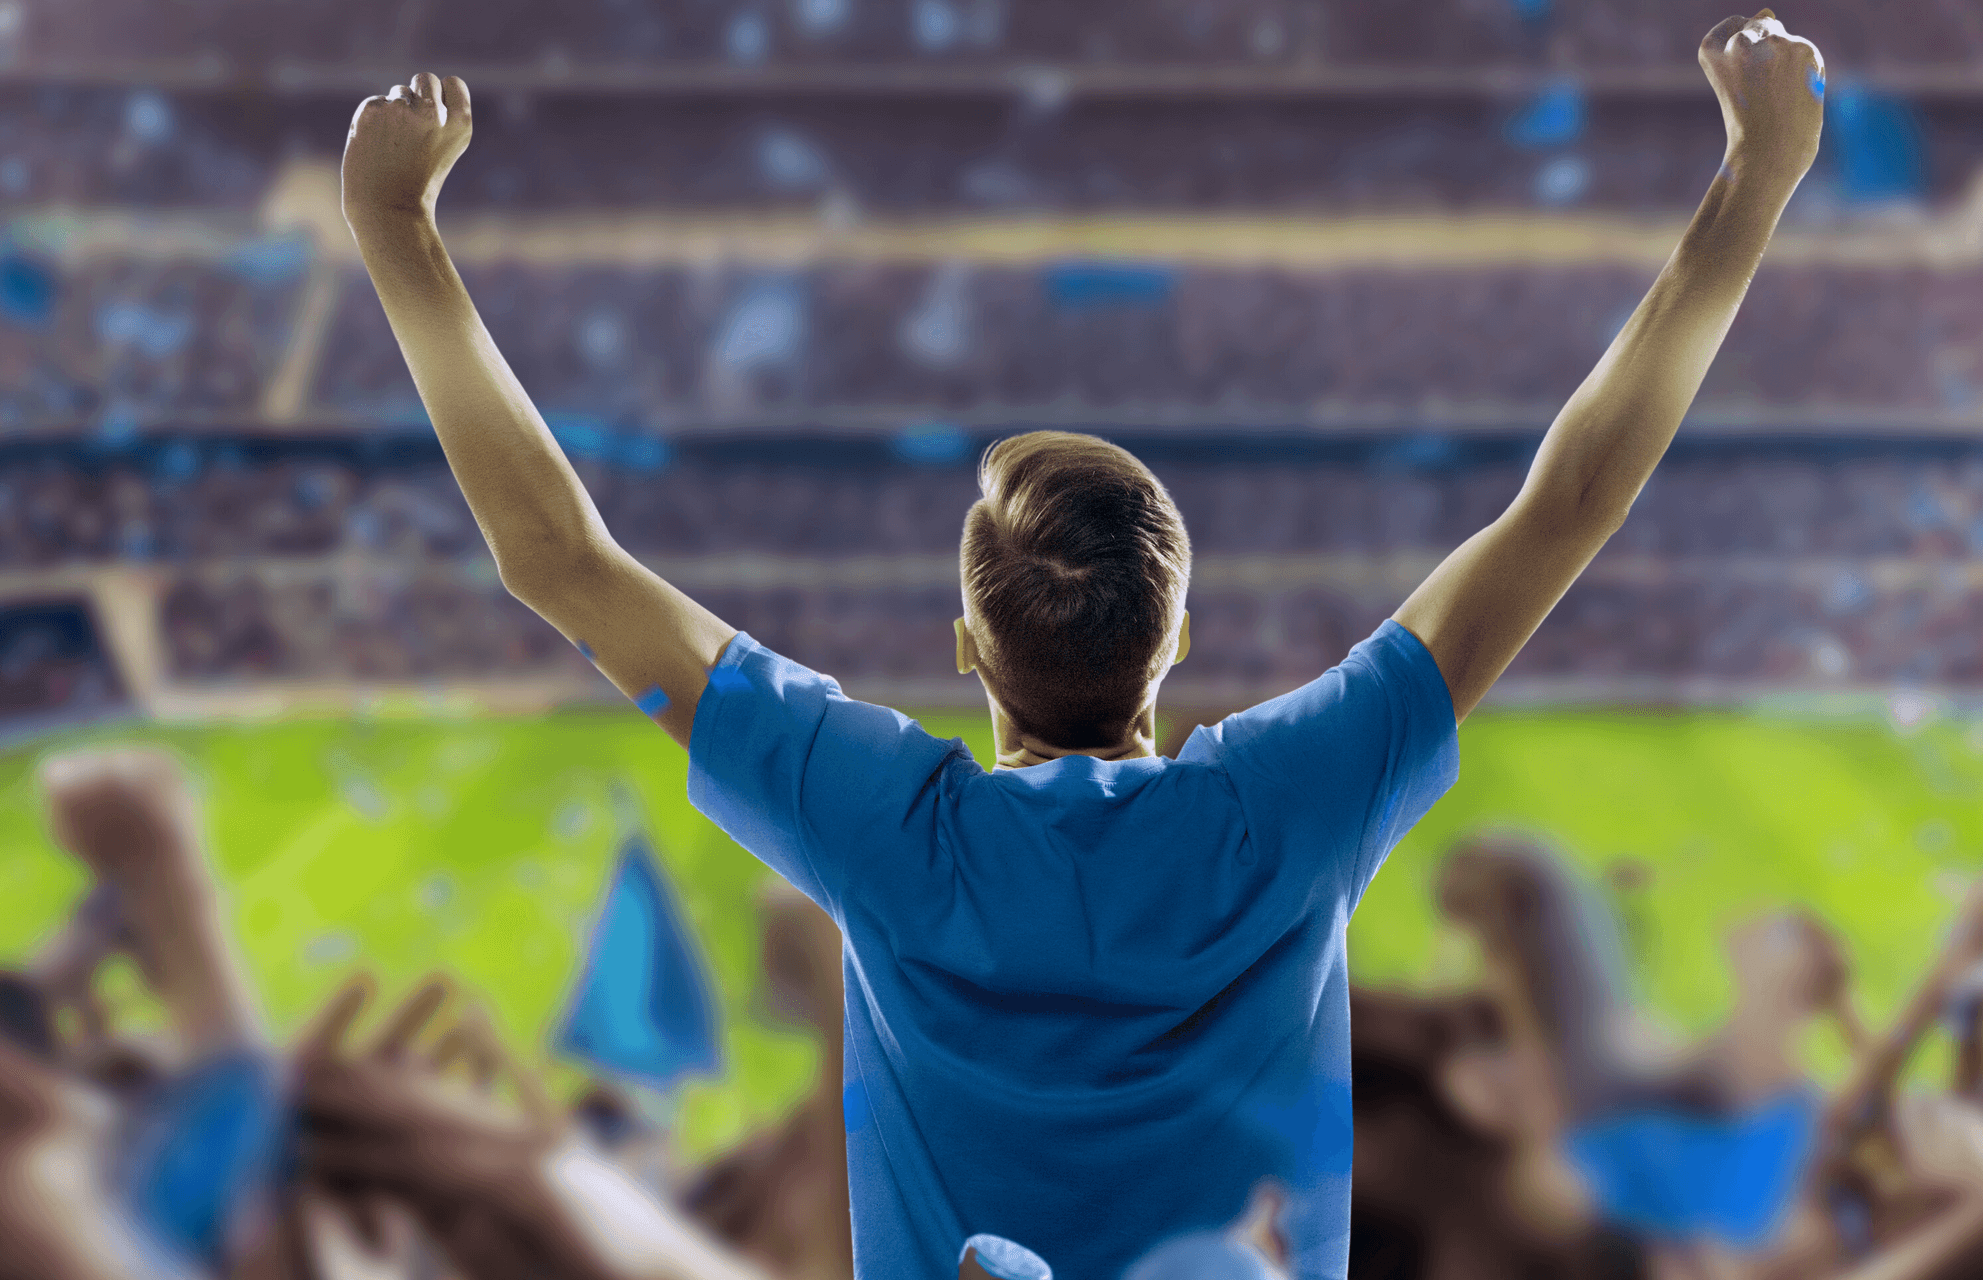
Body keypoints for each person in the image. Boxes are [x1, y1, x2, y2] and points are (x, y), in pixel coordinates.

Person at [331, 8, 1830, 1273]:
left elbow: (558, 561)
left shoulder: (888, 827)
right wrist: (1755, 181)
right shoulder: (1287, 806)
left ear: (970, 649)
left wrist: (395, 229)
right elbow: (1565, 503)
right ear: (1178, 633)